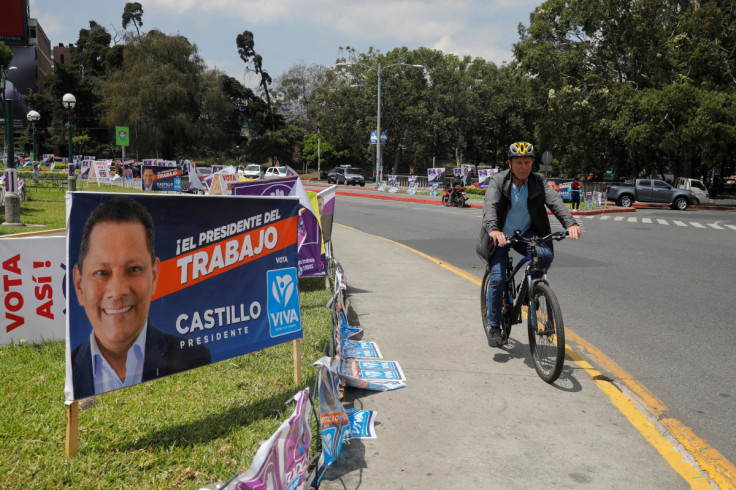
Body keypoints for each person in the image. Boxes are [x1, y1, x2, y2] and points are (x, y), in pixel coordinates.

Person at [71, 196, 210, 399]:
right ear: (79, 285)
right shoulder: (70, 373)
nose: (117, 292)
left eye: (134, 269)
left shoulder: (194, 357)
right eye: (102, 272)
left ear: (153, 277)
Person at [482, 142, 581, 347]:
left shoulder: (538, 181)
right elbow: (490, 206)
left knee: (544, 254)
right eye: (519, 162)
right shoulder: (498, 181)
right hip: (500, 235)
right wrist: (493, 229)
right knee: (498, 278)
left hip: (524, 233)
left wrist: (570, 223)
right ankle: (493, 326)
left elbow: (555, 202)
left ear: (532, 163)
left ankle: (530, 289)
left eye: (527, 162)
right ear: (510, 163)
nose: (523, 167)